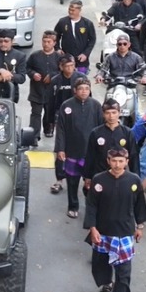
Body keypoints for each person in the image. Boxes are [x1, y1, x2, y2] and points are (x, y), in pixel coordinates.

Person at [85, 148, 146, 292]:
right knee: (100, 264)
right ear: (108, 161)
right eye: (114, 161)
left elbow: (140, 205)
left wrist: (139, 226)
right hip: (102, 232)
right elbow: (91, 206)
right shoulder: (99, 180)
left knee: (124, 271)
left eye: (121, 161)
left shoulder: (134, 181)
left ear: (127, 161)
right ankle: (106, 285)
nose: (117, 165)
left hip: (125, 233)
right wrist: (92, 228)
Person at [53, 77, 101, 218]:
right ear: (75, 90)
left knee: (91, 182)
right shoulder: (66, 106)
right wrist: (60, 149)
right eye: (80, 89)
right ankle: (73, 206)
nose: (84, 91)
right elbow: (61, 128)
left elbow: (100, 128)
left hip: (90, 152)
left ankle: (92, 209)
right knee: (72, 182)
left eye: (87, 88)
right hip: (72, 151)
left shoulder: (96, 105)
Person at [83, 101, 138, 205]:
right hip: (100, 174)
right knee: (98, 204)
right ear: (103, 114)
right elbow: (90, 156)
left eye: (114, 112)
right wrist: (87, 176)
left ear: (119, 113)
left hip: (120, 176)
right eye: (108, 113)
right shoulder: (96, 133)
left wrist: (136, 178)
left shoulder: (127, 133)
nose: (111, 116)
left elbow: (134, 156)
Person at [25, 31, 64, 137]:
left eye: (49, 42)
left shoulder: (58, 57)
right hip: (37, 90)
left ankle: (48, 129)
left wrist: (52, 76)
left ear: (54, 43)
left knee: (49, 112)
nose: (46, 44)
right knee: (35, 114)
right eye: (44, 41)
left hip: (52, 92)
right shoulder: (34, 56)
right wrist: (33, 74)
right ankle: (33, 135)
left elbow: (63, 72)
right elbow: (27, 68)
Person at [54, 0, 98, 74]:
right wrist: (57, 48)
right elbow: (55, 36)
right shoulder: (62, 22)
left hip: (81, 61)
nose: (71, 12)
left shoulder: (87, 23)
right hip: (66, 59)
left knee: (80, 81)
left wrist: (85, 54)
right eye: (69, 10)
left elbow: (92, 40)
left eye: (73, 10)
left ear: (79, 10)